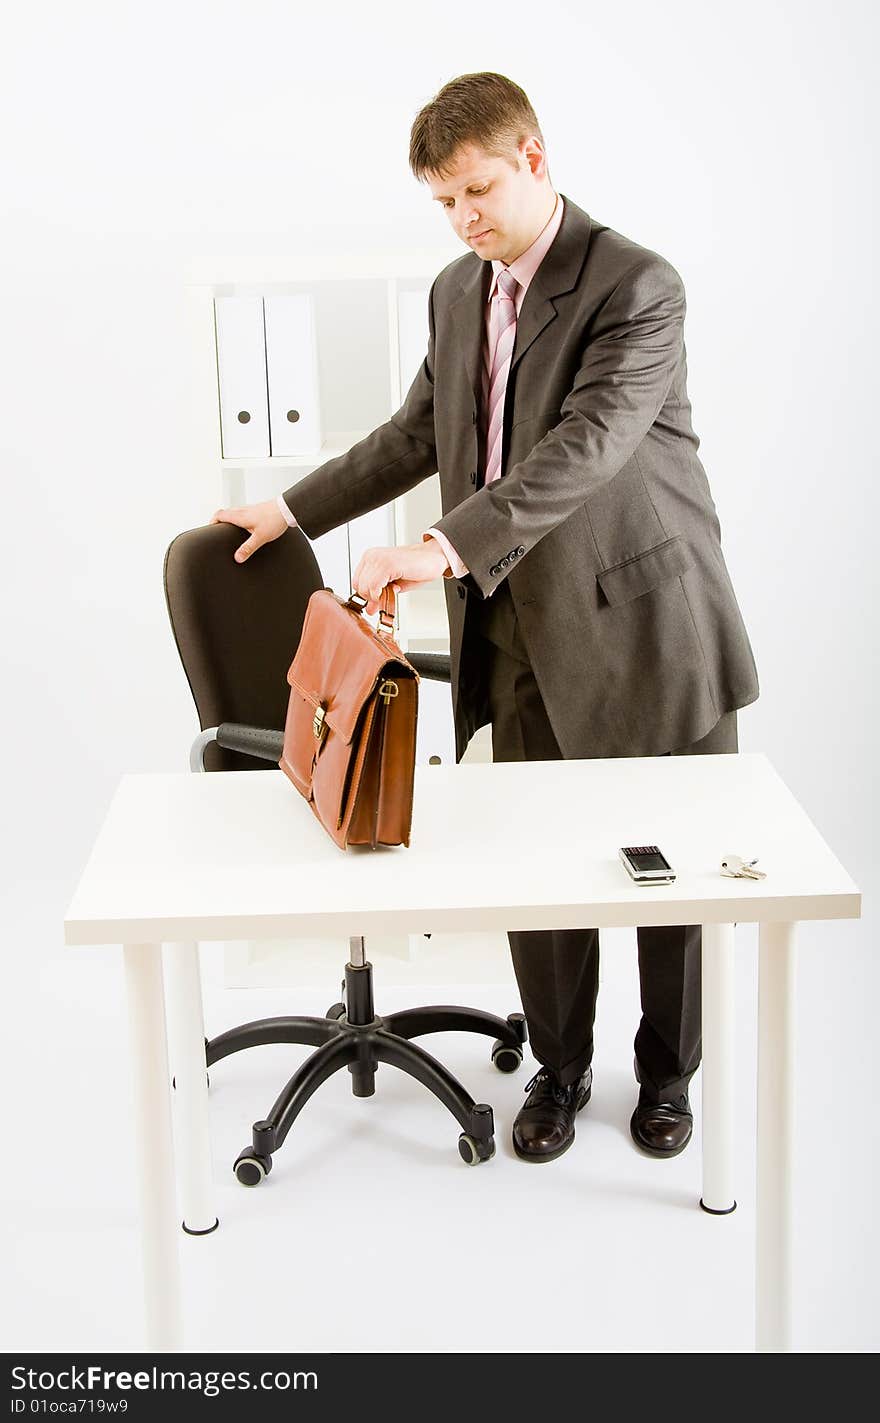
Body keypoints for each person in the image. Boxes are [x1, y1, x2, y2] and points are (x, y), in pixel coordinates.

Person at [211, 72, 759, 1165]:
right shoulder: (459, 292)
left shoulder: (637, 284)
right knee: (537, 866)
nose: (466, 218)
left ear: (535, 158)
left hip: (645, 624)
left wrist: (442, 544)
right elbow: (411, 435)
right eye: (444, 201)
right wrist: (286, 506)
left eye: (479, 188)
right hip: (512, 625)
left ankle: (667, 1074)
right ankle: (558, 1068)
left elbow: (589, 444)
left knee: (669, 870)